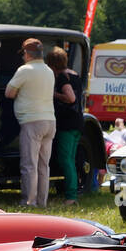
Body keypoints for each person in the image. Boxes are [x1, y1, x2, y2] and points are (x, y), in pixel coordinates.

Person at [4, 37, 56, 207]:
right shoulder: (49, 70)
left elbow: (9, 93)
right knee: (43, 165)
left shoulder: (25, 70)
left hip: (31, 121)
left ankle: (28, 201)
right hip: (50, 120)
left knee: (29, 165)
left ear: (27, 54)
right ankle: (42, 202)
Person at [46, 46, 83, 205]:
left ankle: (70, 196)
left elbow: (71, 98)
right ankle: (73, 192)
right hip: (77, 122)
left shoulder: (62, 77)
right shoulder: (74, 74)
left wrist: (53, 94)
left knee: (65, 159)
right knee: (71, 159)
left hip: (66, 124)